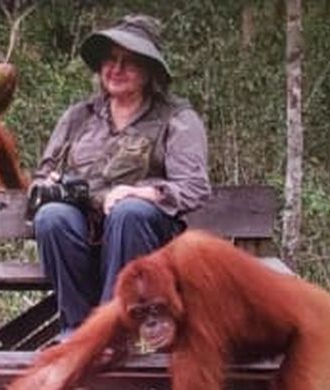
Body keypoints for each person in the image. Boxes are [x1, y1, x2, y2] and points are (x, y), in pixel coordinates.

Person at [29, 14, 211, 342]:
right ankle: (78, 332)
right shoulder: (78, 117)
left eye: (129, 62)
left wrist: (141, 192)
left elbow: (194, 188)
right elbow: (42, 175)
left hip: (144, 243)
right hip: (82, 239)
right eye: (110, 60)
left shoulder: (177, 119)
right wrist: (52, 185)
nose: (116, 69)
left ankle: (115, 331)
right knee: (52, 216)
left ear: (150, 71)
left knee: (129, 212)